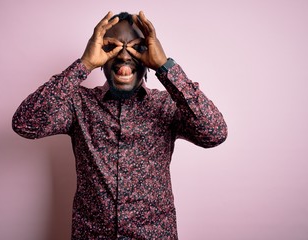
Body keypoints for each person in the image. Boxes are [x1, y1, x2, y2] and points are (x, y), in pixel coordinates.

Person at [12, 11, 227, 239]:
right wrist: (83, 64)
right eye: (112, 47)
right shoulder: (79, 104)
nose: (124, 56)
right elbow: (26, 124)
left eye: (137, 47)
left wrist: (165, 66)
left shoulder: (167, 105)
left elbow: (215, 133)